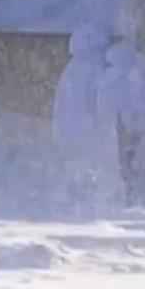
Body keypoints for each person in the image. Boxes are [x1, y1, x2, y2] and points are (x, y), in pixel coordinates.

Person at [51, 24, 123, 209]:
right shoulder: (95, 70)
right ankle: (90, 205)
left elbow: (60, 106)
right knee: (92, 171)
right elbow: (100, 103)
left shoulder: (70, 70)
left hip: (70, 131)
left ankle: (75, 201)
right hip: (88, 131)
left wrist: (60, 130)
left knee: (77, 170)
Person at [97, 40, 145, 207]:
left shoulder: (112, 79)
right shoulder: (130, 80)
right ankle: (135, 197)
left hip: (126, 131)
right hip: (131, 131)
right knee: (134, 167)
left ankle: (133, 197)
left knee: (129, 167)